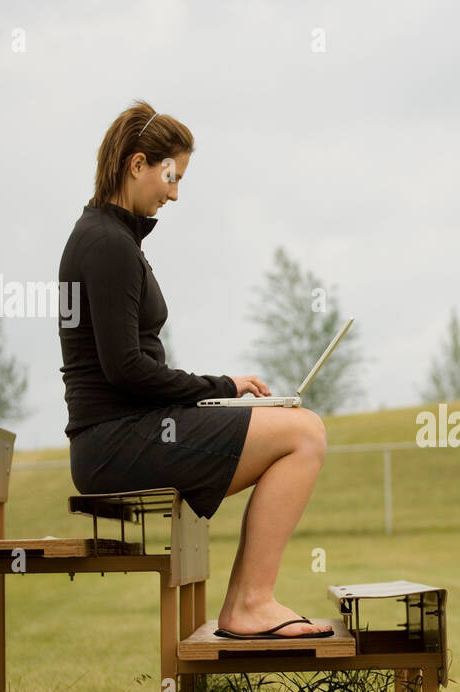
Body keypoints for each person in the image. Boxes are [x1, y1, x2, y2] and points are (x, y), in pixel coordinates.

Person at [58, 99, 333, 639]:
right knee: (305, 435)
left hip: (112, 437)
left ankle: (247, 604)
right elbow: (127, 372)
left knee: (298, 429)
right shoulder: (108, 245)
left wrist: (215, 397)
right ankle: (250, 604)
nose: (175, 193)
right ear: (137, 164)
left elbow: (127, 371)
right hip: (113, 443)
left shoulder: (100, 238)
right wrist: (221, 386)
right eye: (171, 176)